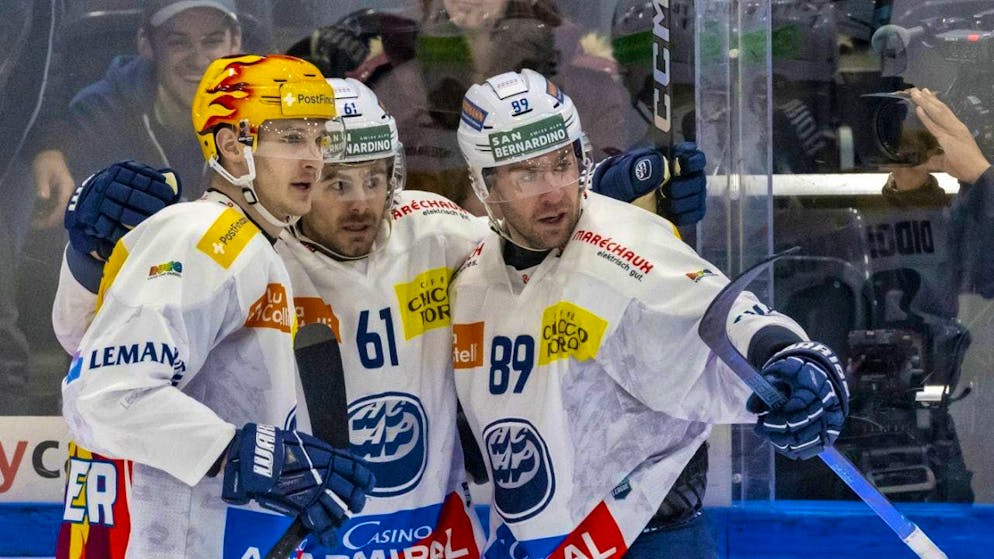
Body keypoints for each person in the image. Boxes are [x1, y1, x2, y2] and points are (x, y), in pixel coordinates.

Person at [52, 73, 709, 557]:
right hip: (301, 529)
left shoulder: (433, 231)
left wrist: (626, 196)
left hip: (433, 537)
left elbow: (536, 246)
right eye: (337, 181)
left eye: (375, 177)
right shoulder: (243, 250)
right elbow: (97, 358)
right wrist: (88, 261)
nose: (361, 202)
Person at [449, 68, 849, 559]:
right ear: (486, 184)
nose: (553, 190)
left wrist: (783, 356)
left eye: (561, 164)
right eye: (526, 174)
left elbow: (714, 313)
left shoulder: (618, 244)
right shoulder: (469, 278)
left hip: (652, 541)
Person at [55, 54, 376, 559]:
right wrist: (255, 457)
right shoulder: (203, 235)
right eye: (291, 137)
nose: (314, 158)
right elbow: (104, 395)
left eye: (319, 138)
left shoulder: (247, 241)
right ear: (232, 145)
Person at [29, 0, 244, 223]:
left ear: (235, 42)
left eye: (212, 42)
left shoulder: (265, 114)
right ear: (146, 45)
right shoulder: (97, 115)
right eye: (178, 43)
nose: (198, 60)